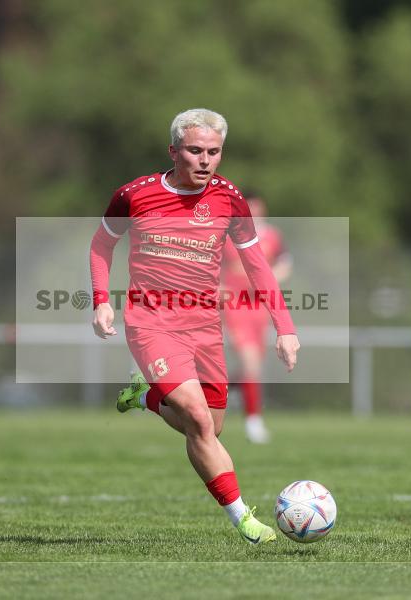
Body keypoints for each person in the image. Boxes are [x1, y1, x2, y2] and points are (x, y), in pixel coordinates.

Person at [90, 108, 300, 545]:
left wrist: (285, 326)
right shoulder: (134, 195)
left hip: (204, 327)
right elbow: (102, 244)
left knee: (210, 427)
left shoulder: (230, 199)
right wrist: (101, 302)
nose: (205, 160)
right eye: (195, 150)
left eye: (214, 152)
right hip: (150, 323)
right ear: (173, 151)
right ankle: (243, 518)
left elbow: (257, 265)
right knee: (201, 423)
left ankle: (145, 396)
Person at [220, 195, 292, 444]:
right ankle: (254, 422)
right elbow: (212, 267)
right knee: (250, 362)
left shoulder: (272, 235)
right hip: (234, 305)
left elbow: (285, 265)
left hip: (259, 308)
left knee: (252, 367)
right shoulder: (228, 235)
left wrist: (269, 279)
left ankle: (204, 392)